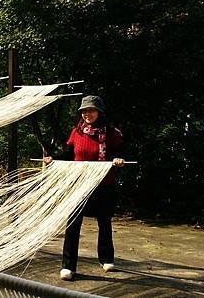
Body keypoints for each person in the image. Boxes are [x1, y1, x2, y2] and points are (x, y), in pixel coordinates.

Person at [43, 95, 124, 281]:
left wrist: (119, 159)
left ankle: (106, 259)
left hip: (104, 185)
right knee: (73, 224)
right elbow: (69, 153)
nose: (87, 114)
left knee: (104, 222)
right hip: (78, 185)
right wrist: (53, 158)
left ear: (99, 112)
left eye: (91, 110)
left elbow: (120, 150)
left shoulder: (111, 133)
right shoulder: (77, 132)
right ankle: (68, 266)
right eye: (84, 111)